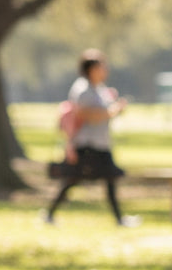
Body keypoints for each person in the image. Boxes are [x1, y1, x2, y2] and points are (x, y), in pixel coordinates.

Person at [46, 49, 136, 227]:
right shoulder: (83, 89)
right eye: (102, 66)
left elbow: (105, 112)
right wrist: (113, 111)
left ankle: (119, 218)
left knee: (103, 179)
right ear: (92, 69)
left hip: (101, 143)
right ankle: (50, 214)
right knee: (75, 179)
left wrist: (114, 109)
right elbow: (86, 114)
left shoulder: (100, 89)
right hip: (87, 144)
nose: (105, 70)